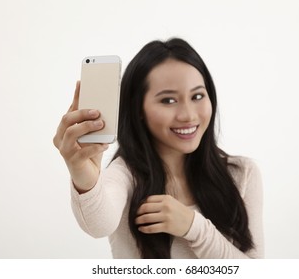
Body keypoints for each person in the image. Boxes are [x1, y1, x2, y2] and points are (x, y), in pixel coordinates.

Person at [53, 38, 264, 259]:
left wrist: (193, 227)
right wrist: (81, 174)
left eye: (197, 96)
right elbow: (98, 224)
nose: (189, 115)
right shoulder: (126, 175)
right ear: (138, 109)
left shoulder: (242, 173)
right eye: (168, 101)